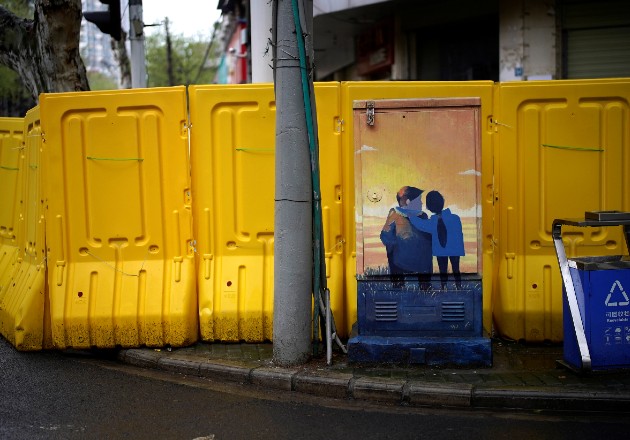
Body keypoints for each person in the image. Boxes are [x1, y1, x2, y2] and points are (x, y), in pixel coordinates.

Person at [409, 190, 464, 289]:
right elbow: (459, 235)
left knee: (443, 269)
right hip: (455, 250)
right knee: (456, 269)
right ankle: (458, 287)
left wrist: (410, 215)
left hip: (441, 250)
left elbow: (421, 225)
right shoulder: (455, 218)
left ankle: (444, 287)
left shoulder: (432, 221)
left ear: (430, 207)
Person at [380, 186, 433, 287]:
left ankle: (398, 284)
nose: (421, 203)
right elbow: (430, 236)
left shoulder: (394, 214)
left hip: (401, 261)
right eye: (419, 201)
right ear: (408, 201)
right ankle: (425, 285)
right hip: (422, 262)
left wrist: (395, 243)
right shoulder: (423, 216)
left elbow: (386, 236)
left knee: (391, 247)